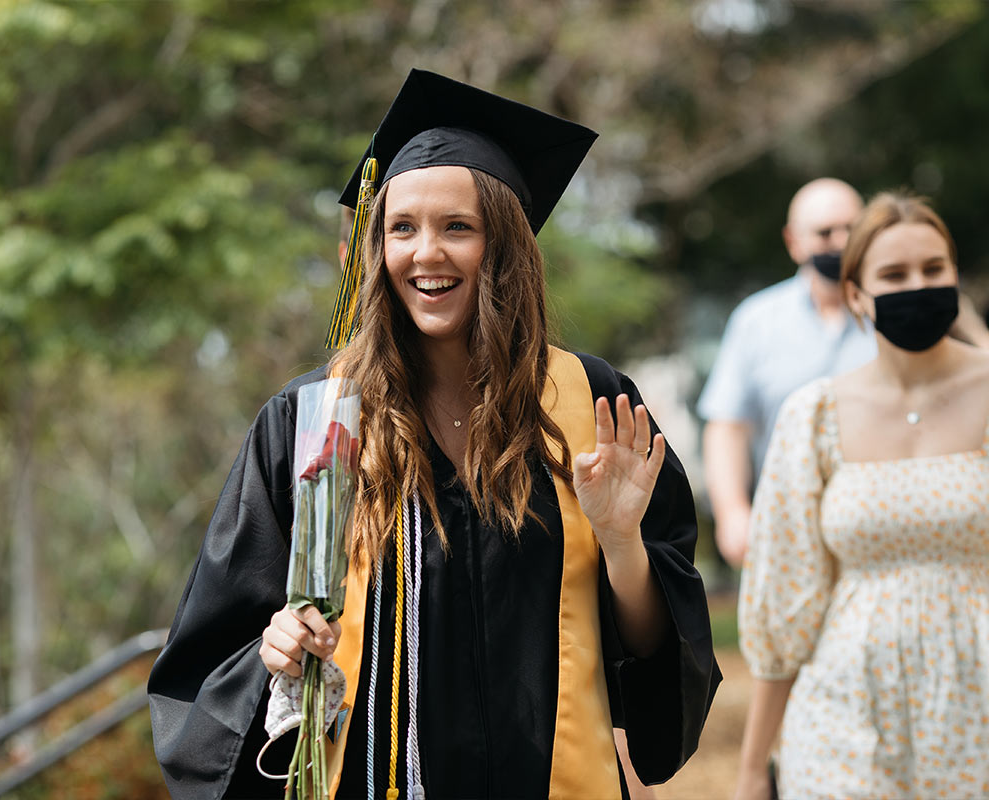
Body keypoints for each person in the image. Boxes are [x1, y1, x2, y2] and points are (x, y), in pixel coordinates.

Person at [148, 69, 721, 800]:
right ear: (376, 248)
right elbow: (210, 656)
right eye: (401, 228)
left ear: (504, 245)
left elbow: (658, 665)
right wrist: (277, 649)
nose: (427, 254)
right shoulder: (316, 421)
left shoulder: (589, 404)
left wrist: (621, 543)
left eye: (458, 226)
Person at [733, 192, 989, 799]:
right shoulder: (814, 416)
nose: (918, 286)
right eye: (894, 275)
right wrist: (750, 769)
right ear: (856, 295)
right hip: (843, 720)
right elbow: (786, 601)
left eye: (934, 269)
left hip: (975, 714)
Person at [697, 178, 876, 568]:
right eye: (826, 232)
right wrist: (732, 513)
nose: (842, 241)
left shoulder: (894, 317)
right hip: (785, 535)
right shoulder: (756, 321)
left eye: (853, 229)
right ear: (794, 242)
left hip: (882, 525)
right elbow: (728, 425)